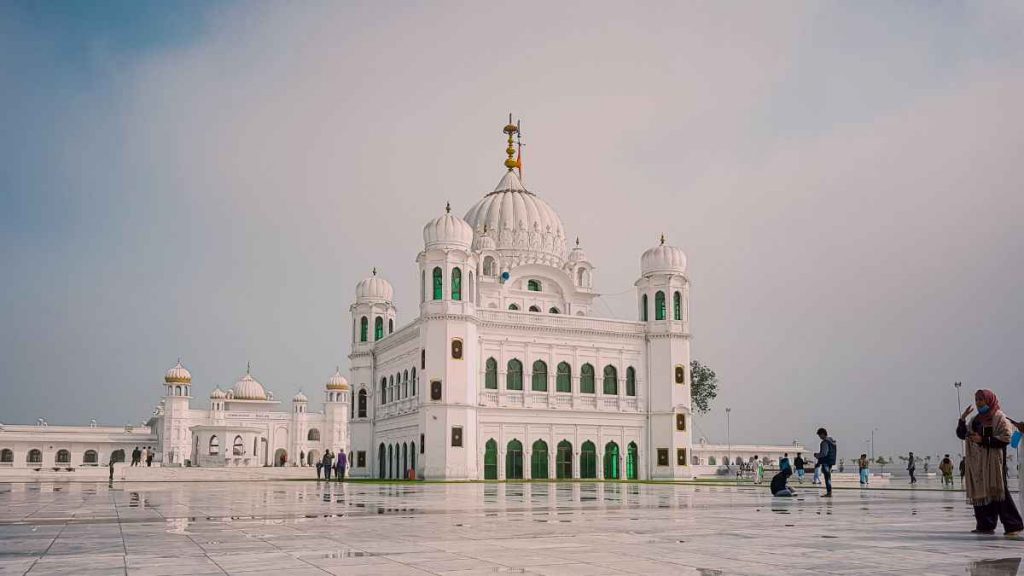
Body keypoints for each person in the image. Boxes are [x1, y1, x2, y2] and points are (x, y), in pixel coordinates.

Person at [956, 389, 1022, 536]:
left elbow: (1006, 438)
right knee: (981, 493)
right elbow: (962, 435)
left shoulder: (999, 418)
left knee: (998, 492)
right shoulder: (976, 419)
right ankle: (985, 525)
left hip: (994, 462)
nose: (978, 403)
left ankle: (1013, 525)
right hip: (978, 463)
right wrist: (962, 420)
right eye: (977, 400)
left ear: (989, 400)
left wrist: (983, 440)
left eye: (981, 400)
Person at [814, 427, 837, 497]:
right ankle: (829, 492)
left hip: (825, 461)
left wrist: (817, 455)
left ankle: (829, 492)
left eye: (820, 435)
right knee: (828, 477)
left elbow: (824, 453)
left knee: (827, 477)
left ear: (823, 434)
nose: (820, 437)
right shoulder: (832, 442)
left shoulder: (825, 442)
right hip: (830, 461)